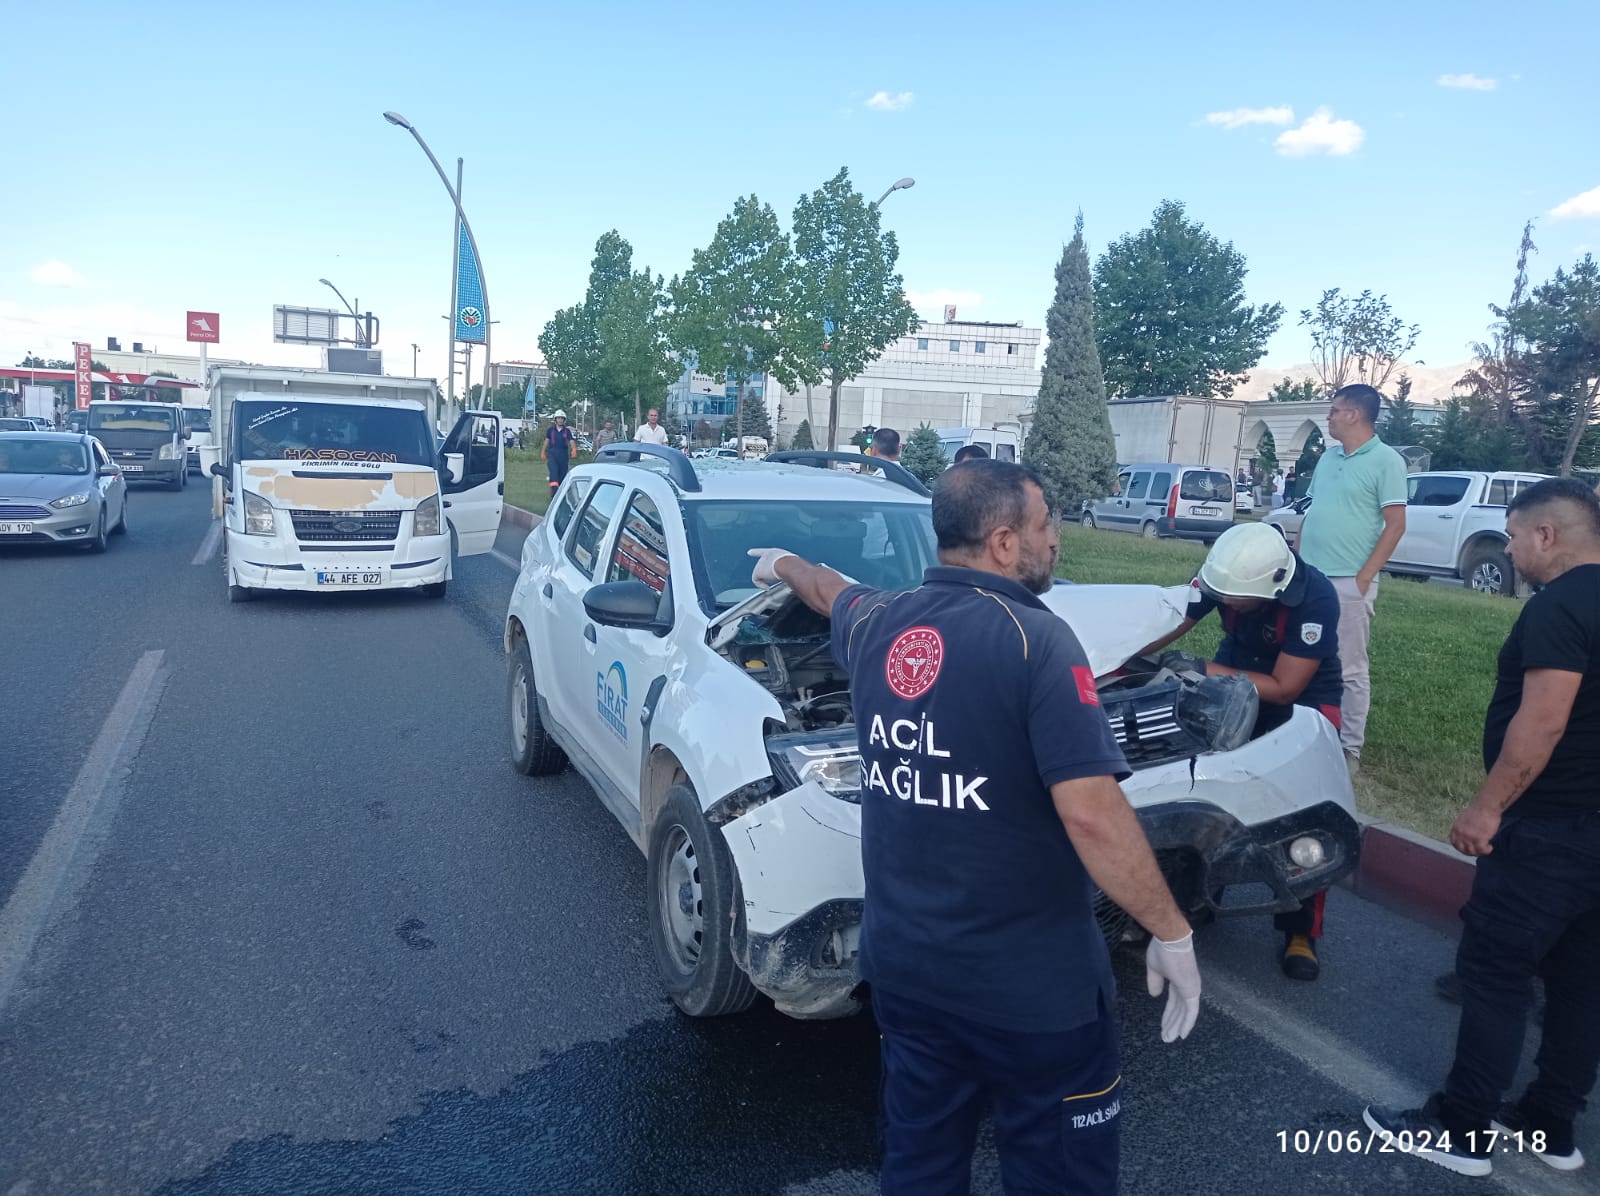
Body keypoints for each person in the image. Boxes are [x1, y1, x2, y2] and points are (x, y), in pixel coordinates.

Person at [747, 460, 1202, 1194]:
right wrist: (1172, 932)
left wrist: (782, 562)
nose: (1055, 539)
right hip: (1033, 996)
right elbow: (1090, 812)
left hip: (908, 976)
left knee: (921, 1168)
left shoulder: (884, 622)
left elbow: (828, 592)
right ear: (1001, 542)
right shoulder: (1037, 642)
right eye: (1046, 522)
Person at [1364, 478, 1600, 1178]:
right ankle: (1550, 1123)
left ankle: (1461, 1129)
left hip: (1550, 830)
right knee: (1582, 982)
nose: (1512, 547)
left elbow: (1545, 719)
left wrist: (1489, 804)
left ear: (1547, 536)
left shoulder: (1561, 606)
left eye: (1516, 534)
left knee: (1495, 973)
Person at [1136, 522, 1342, 981]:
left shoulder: (1316, 599)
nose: (1227, 604)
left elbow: (1287, 687)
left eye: (1236, 600)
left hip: (1302, 703)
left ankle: (1300, 931)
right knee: (1212, 792)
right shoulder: (1228, 573)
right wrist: (1130, 653)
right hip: (1232, 683)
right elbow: (1175, 620)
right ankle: (1199, 899)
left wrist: (1199, 668)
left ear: (1274, 587)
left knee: (1302, 809)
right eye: (1221, 594)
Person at [1295, 384, 1407, 765]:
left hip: (1348, 581)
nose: (1328, 417)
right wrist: (1297, 560)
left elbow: (1395, 525)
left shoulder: (1387, 461)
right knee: (1300, 653)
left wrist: (1363, 580)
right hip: (1310, 576)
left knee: (1349, 666)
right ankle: (1304, 728)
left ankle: (1348, 748)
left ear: (1355, 414)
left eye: (1334, 410)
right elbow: (1313, 511)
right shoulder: (1328, 458)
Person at [542, 411, 576, 497]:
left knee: (562, 474)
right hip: (553, 453)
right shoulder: (550, 430)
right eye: (558, 418)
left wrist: (574, 449)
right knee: (554, 472)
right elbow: (547, 441)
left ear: (564, 420)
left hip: (563, 454)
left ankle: (560, 492)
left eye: (562, 418)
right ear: (555, 419)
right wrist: (543, 451)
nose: (560, 420)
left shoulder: (567, 431)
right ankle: (554, 492)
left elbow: (571, 440)